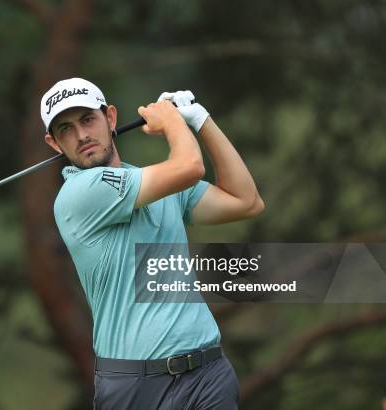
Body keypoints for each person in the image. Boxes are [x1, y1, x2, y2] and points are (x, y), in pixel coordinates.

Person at [41, 77, 264, 409]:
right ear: (54, 143)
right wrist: (173, 121)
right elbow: (189, 166)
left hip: (208, 374)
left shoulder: (156, 184)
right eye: (65, 130)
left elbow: (245, 201)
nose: (81, 135)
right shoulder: (78, 194)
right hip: (137, 387)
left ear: (111, 118)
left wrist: (201, 120)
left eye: (88, 119)